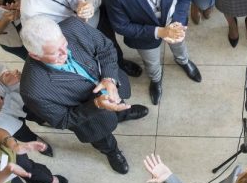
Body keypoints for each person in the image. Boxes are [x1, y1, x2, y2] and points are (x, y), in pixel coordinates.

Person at [19, 16, 149, 174]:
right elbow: (63, 120)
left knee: (120, 103)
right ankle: (112, 151)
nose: (65, 52)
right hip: (90, 120)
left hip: (112, 85)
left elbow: (105, 48)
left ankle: (123, 113)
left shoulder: (74, 26)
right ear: (35, 55)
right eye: (55, 53)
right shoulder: (33, 90)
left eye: (64, 44)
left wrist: (109, 77)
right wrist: (97, 105)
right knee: (103, 139)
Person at [105, 0, 202, 105]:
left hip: (173, 19)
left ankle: (183, 61)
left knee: (179, 45)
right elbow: (120, 25)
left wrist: (178, 22)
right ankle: (156, 79)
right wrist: (159, 32)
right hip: (143, 33)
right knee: (151, 61)